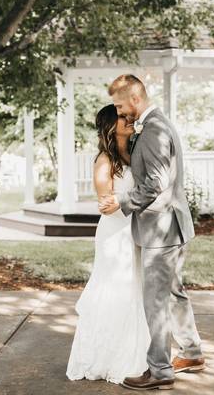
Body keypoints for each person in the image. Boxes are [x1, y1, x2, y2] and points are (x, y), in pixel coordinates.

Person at [99, 74, 204, 391]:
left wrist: (121, 200)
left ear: (134, 99)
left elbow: (156, 184)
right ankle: (192, 353)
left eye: (120, 106)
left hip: (161, 230)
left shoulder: (155, 128)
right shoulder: (154, 124)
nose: (119, 112)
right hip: (169, 227)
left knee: (156, 301)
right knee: (173, 293)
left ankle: (159, 370)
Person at [66, 104, 150, 384]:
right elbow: (106, 205)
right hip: (115, 234)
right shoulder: (105, 160)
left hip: (135, 230)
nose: (129, 120)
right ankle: (108, 358)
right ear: (110, 126)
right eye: (122, 117)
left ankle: (138, 353)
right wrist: (136, 202)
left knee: (135, 290)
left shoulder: (135, 151)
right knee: (116, 290)